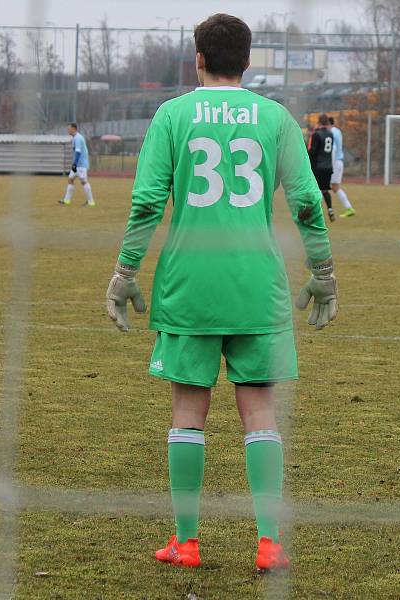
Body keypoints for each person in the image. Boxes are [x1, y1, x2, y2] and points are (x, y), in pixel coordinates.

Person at [105, 13, 336, 573]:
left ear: (199, 59)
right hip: (258, 286)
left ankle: (186, 543)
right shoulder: (276, 118)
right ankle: (269, 543)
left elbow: (146, 202)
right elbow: (307, 199)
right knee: (260, 410)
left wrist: (124, 273)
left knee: (189, 412)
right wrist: (323, 271)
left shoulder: (173, 114)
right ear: (248, 61)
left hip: (190, 285)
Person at [59, 123, 95, 207]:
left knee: (83, 182)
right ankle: (67, 200)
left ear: (74, 129)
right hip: (77, 164)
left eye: (69, 129)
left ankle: (91, 202)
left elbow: (78, 152)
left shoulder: (77, 138)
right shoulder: (76, 137)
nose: (68, 130)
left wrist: (75, 164)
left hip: (80, 165)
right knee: (70, 179)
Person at [308, 113, 335, 221]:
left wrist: (308, 164)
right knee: (324, 190)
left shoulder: (316, 135)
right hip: (328, 167)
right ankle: (330, 210)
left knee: (313, 190)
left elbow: (313, 152)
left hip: (317, 166)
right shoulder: (330, 134)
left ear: (318, 122)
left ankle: (313, 213)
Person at [328, 116, 355, 218]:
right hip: (339, 162)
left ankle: (313, 210)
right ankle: (349, 208)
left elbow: (333, 149)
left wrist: (330, 164)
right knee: (335, 187)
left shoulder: (331, 133)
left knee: (323, 186)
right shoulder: (338, 131)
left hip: (334, 162)